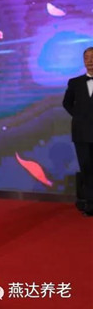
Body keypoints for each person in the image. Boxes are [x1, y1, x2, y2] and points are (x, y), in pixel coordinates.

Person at [62, 46, 93, 217]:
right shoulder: (75, 82)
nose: (90, 61)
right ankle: (90, 204)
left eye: (92, 57)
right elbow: (66, 103)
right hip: (82, 134)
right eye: (86, 57)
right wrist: (80, 117)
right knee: (87, 169)